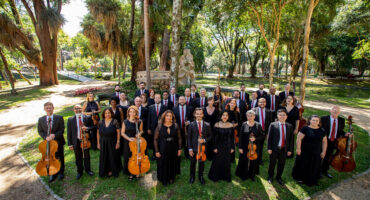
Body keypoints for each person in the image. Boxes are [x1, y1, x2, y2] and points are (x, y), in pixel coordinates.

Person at [292, 115, 327, 186]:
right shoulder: (305, 128)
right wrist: (298, 148)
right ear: (310, 121)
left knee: (314, 165)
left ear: (319, 122)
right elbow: (299, 139)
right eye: (313, 120)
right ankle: (301, 178)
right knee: (304, 164)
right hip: (305, 151)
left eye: (317, 120)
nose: (315, 122)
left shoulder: (322, 130)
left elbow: (325, 142)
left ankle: (312, 178)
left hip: (316, 152)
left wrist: (323, 151)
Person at [37, 102, 65, 183]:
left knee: (60, 157)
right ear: (44, 109)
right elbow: (40, 131)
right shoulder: (41, 119)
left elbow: (62, 129)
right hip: (48, 144)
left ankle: (61, 172)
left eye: (50, 107)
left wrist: (54, 135)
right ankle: (53, 172)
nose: (49, 109)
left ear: (53, 108)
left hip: (58, 141)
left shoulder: (59, 118)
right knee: (51, 158)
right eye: (47, 108)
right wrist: (45, 137)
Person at [320, 106, 351, 178]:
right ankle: (317, 171)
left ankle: (324, 170)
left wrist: (345, 134)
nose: (335, 111)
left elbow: (340, 131)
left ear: (339, 112)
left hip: (333, 141)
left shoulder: (341, 120)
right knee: (320, 155)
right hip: (324, 141)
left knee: (328, 157)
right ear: (330, 111)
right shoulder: (323, 119)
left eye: (337, 111)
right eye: (334, 110)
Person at [154, 110, 182, 185]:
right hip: (163, 147)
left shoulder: (176, 125)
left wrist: (179, 149)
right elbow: (155, 139)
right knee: (163, 162)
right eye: (167, 116)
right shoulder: (159, 126)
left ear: (172, 117)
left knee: (172, 162)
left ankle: (171, 177)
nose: (169, 117)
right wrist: (157, 151)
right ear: (164, 117)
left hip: (173, 147)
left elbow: (179, 138)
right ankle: (163, 178)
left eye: (170, 116)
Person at [267, 109, 294, 186]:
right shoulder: (273, 125)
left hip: (284, 149)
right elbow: (269, 138)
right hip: (274, 148)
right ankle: (270, 176)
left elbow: (291, 139)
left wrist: (290, 149)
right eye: (280, 115)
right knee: (272, 163)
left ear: (286, 116)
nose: (282, 116)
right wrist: (269, 148)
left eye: (284, 115)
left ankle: (279, 177)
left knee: (281, 164)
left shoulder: (289, 126)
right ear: (277, 116)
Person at [67, 104, 95, 179]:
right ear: (74, 110)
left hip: (85, 140)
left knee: (87, 156)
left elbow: (93, 127)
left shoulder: (87, 117)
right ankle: (79, 172)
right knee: (78, 157)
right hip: (76, 141)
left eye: (79, 108)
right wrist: (70, 144)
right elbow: (69, 133)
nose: (78, 110)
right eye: (76, 108)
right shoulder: (70, 120)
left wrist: (87, 128)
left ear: (82, 109)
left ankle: (88, 170)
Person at [236, 110, 264, 181]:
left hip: (254, 147)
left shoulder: (258, 125)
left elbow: (262, 135)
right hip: (245, 146)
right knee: (244, 160)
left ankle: (252, 175)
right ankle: (243, 174)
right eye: (248, 116)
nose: (250, 117)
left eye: (251, 116)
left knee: (253, 161)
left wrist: (255, 139)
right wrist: (240, 147)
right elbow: (241, 136)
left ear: (254, 116)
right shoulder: (244, 124)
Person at [208, 111, 235, 182]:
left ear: (228, 117)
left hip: (228, 146)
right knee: (217, 161)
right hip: (218, 146)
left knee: (226, 162)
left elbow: (232, 137)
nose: (225, 117)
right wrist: (214, 147)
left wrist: (232, 147)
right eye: (223, 115)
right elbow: (214, 138)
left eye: (226, 115)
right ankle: (216, 176)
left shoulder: (231, 125)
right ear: (221, 116)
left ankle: (225, 177)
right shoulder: (217, 125)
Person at [187, 108, 212, 184]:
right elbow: (189, 138)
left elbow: (210, 136)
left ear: (203, 114)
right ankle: (192, 176)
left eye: (200, 114)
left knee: (201, 164)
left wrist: (204, 140)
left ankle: (200, 176)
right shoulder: (191, 125)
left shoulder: (207, 125)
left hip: (203, 149)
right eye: (197, 114)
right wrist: (190, 149)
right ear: (195, 115)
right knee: (192, 163)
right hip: (194, 148)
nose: (199, 115)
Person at [121, 106, 144, 180]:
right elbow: (122, 133)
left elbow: (141, 130)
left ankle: (137, 172)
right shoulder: (125, 122)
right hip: (128, 142)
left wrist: (139, 134)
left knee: (137, 157)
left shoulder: (139, 121)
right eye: (130, 112)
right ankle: (130, 172)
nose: (132, 113)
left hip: (137, 142)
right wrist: (129, 139)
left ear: (136, 113)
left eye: (133, 112)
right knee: (129, 157)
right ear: (128, 113)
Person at [97, 108, 121, 178]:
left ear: (111, 114)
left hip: (112, 142)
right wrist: (98, 143)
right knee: (104, 156)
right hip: (103, 142)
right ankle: (104, 170)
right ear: (103, 114)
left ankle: (112, 170)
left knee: (112, 156)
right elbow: (98, 133)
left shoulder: (115, 121)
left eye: (109, 113)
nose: (107, 114)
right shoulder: (100, 122)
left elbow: (118, 132)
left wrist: (118, 142)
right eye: (106, 113)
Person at [252, 97, 272, 166]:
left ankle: (259, 160)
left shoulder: (269, 111)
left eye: (263, 102)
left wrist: (267, 133)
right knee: (254, 146)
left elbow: (270, 123)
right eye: (260, 102)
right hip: (255, 131)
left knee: (261, 146)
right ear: (258, 103)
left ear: (265, 103)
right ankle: (253, 158)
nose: (262, 103)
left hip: (263, 132)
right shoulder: (253, 110)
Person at [148, 94, 167, 159]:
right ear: (154, 99)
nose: (157, 99)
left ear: (160, 99)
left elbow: (165, 118)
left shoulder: (164, 107)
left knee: (161, 140)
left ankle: (161, 153)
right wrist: (148, 128)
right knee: (154, 140)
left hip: (162, 127)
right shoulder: (150, 107)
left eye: (159, 98)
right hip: (153, 127)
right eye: (156, 98)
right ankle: (154, 153)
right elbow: (149, 118)